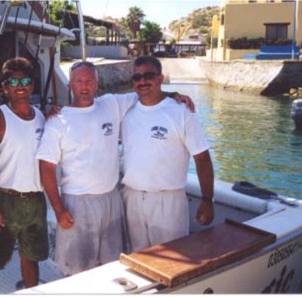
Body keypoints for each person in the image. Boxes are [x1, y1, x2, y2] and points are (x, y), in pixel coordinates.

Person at [36, 61, 195, 276]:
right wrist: (58, 210)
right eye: (79, 81)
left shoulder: (111, 104)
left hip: (112, 199)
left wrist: (174, 94)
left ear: (97, 83)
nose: (84, 86)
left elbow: (146, 92)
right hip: (77, 202)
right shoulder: (57, 121)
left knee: (112, 267)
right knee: (76, 270)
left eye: (89, 81)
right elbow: (46, 169)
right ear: (71, 85)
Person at [120, 55, 215, 253]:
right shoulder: (126, 110)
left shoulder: (181, 112)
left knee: (174, 257)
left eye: (148, 76)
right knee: (137, 258)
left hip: (168, 203)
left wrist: (207, 199)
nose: (142, 81)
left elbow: (202, 158)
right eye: (137, 78)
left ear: (160, 78)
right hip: (132, 199)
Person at [0, 57, 48, 292]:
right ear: (4, 87)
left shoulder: (41, 116)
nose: (20, 86)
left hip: (35, 201)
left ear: (32, 85)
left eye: (26, 80)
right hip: (4, 201)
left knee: (31, 259)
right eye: (13, 81)